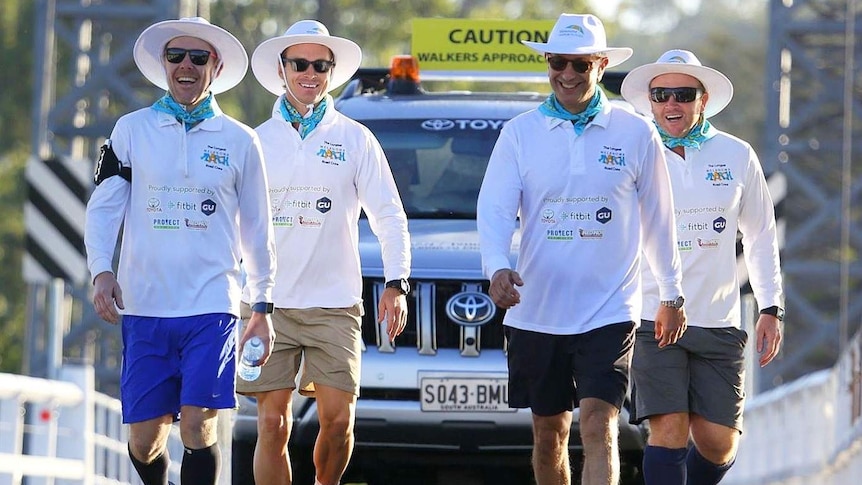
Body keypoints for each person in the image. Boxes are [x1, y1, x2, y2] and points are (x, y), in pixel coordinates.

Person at [477, 13, 687, 485]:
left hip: (609, 309)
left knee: (599, 422)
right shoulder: (520, 133)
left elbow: (659, 217)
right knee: (549, 432)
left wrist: (671, 294)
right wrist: (496, 268)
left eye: (579, 64)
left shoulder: (635, 132)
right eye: (557, 62)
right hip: (537, 310)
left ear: (600, 64)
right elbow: (493, 211)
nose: (567, 75)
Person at [84, 17, 277, 485]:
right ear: (163, 65)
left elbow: (258, 228)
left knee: (197, 423)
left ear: (216, 65)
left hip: (212, 305)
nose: (186, 66)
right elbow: (104, 208)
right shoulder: (130, 130)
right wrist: (101, 272)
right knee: (144, 442)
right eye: (176, 57)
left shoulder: (240, 140)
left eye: (198, 57)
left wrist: (263, 304)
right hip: (145, 305)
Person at [237, 19, 411, 485]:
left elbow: (389, 216)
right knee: (272, 424)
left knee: (337, 423)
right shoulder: (254, 139)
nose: (309, 73)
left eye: (320, 65)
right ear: (282, 69)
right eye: (300, 64)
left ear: (331, 72)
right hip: (266, 305)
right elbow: (235, 224)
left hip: (335, 303)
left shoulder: (354, 138)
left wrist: (397, 283)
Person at [620, 49, 784, 485]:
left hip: (719, 319)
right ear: (649, 101)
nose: (671, 104)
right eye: (661, 95)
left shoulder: (737, 154)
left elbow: (761, 235)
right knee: (669, 429)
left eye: (683, 94)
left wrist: (771, 308)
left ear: (703, 99)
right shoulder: (632, 152)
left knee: (718, 441)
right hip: (651, 316)